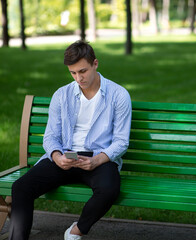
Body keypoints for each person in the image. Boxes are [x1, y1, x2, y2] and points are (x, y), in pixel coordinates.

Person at [9, 40, 132, 240]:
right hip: (66, 155)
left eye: (82, 71)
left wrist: (96, 160)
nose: (78, 78)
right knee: (20, 187)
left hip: (99, 158)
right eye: (73, 73)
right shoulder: (62, 95)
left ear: (95, 64)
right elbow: (50, 136)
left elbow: (121, 141)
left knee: (109, 189)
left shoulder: (118, 95)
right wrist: (57, 157)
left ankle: (77, 230)